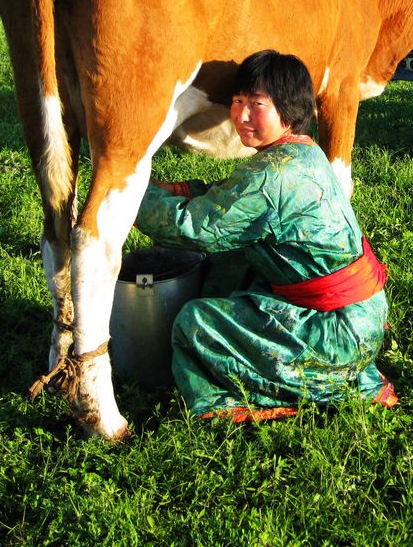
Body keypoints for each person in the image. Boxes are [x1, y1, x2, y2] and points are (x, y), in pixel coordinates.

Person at [134, 50, 397, 421]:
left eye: (256, 104)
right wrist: (171, 191)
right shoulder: (302, 154)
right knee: (232, 260)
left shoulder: (273, 176)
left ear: (288, 110)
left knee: (195, 324)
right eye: (237, 101)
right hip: (359, 316)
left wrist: (130, 194)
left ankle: (226, 403)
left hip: (337, 334)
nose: (240, 115)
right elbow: (227, 197)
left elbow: (195, 227)